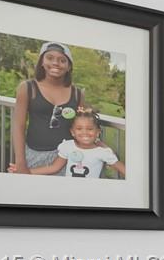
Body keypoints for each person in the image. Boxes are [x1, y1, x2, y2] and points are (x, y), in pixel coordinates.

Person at [8, 42, 84, 174]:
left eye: (62, 60)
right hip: (35, 156)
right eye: (50, 58)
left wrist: (98, 145)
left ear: (69, 67)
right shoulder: (28, 88)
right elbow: (18, 126)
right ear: (41, 62)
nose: (56, 63)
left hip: (68, 158)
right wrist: (20, 162)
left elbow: (84, 124)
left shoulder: (77, 94)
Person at [28, 108, 125, 179]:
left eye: (90, 129)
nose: (85, 132)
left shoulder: (102, 152)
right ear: (72, 132)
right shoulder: (68, 146)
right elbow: (54, 168)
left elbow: (124, 170)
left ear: (98, 132)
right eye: (79, 129)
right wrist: (27, 171)